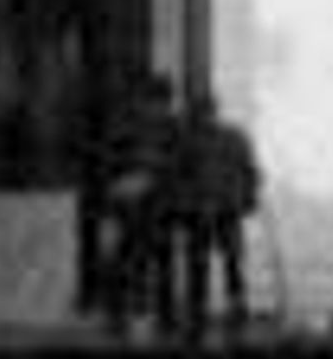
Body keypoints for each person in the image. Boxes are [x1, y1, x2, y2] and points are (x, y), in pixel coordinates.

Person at [167, 88, 263, 344]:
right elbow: (252, 173)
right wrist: (248, 199)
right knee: (208, 267)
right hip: (207, 211)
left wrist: (247, 199)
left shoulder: (219, 139)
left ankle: (228, 315)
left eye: (201, 111)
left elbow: (251, 173)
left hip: (219, 210)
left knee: (226, 266)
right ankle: (208, 318)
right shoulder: (227, 138)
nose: (201, 117)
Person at [98, 72, 179, 338]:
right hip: (129, 206)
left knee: (159, 262)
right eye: (155, 101)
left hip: (159, 206)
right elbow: (110, 161)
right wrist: (123, 182)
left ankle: (162, 317)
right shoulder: (128, 127)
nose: (159, 108)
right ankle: (119, 318)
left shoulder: (172, 129)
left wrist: (156, 174)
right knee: (124, 262)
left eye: (163, 102)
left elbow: (181, 163)